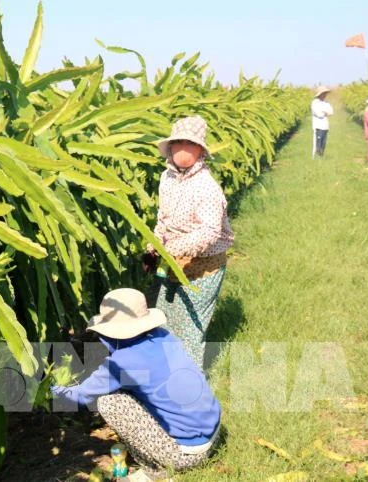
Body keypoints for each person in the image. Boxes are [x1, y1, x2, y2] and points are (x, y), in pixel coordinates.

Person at [50, 288, 221, 480]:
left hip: (188, 454)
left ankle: (154, 471)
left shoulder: (122, 363)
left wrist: (49, 389)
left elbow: (80, 396)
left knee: (110, 403)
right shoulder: (163, 336)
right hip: (213, 431)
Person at [144, 115, 233, 370]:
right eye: (178, 142)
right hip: (172, 262)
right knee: (165, 318)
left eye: (190, 143)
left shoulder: (206, 188)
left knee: (190, 328)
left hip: (203, 265)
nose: (183, 148)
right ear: (170, 147)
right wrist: (153, 248)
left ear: (200, 150)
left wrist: (170, 250)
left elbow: (209, 233)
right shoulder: (167, 179)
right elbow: (164, 219)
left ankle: (189, 389)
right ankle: (167, 375)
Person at [311, 86, 334, 157]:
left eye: (325, 93)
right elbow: (319, 114)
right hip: (318, 126)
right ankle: (315, 157)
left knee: (323, 143)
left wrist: (324, 112)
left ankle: (321, 156)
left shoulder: (326, 103)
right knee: (318, 142)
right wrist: (325, 112)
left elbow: (331, 112)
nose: (325, 95)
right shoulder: (315, 103)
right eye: (323, 93)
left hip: (325, 126)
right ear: (320, 94)